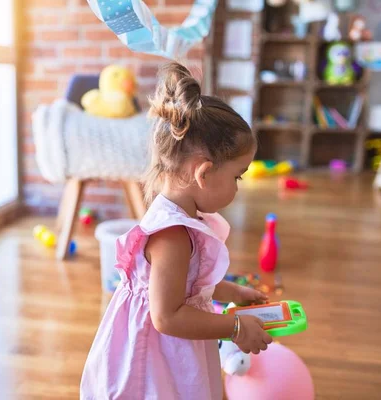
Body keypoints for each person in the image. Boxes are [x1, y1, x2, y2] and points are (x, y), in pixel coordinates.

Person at [80, 62, 272, 399]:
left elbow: (188, 286)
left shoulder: (184, 216)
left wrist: (233, 293)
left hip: (170, 346)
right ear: (204, 174)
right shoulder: (172, 236)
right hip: (156, 357)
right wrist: (235, 326)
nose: (237, 188)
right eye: (237, 176)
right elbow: (167, 317)